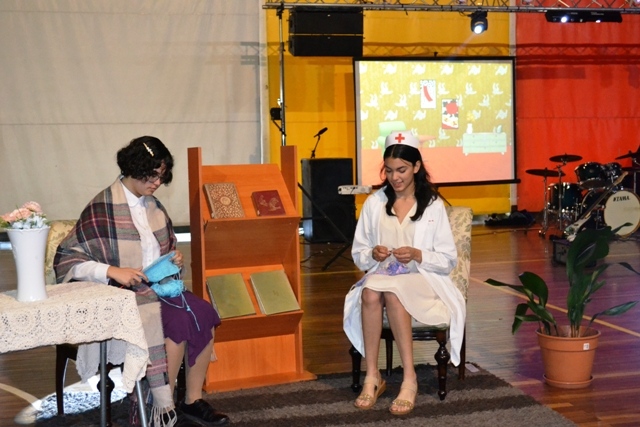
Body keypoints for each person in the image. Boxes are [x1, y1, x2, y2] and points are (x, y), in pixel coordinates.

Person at [54, 136, 230, 427]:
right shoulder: (102, 207)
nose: (157, 182)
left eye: (162, 176)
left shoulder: (154, 206)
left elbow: (164, 247)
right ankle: (158, 407)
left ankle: (192, 399)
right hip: (119, 295)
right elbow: (67, 259)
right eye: (152, 175)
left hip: (155, 289)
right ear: (133, 168)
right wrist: (112, 270)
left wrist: (173, 258)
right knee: (177, 322)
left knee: (204, 313)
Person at [344, 131, 465, 416]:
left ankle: (409, 378)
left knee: (393, 292)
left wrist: (418, 254)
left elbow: (448, 260)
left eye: (401, 170)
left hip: (424, 279)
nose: (395, 177)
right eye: (389, 171)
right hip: (383, 276)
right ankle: (372, 375)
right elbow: (359, 253)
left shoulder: (432, 205)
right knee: (371, 292)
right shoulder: (375, 203)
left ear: (416, 167)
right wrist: (373, 254)